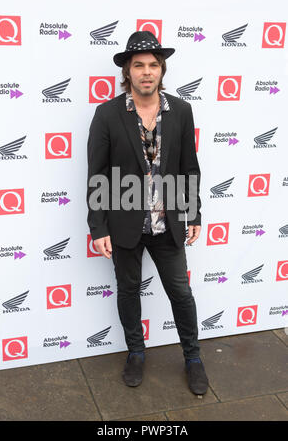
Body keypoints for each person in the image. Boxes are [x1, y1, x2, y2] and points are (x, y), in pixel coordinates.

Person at [87, 30, 208, 395]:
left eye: (153, 65)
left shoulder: (181, 111)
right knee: (128, 291)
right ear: (127, 72)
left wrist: (193, 213)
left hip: (168, 225)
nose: (146, 72)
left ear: (161, 70)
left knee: (181, 294)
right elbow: (97, 174)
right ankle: (136, 352)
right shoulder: (107, 114)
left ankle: (193, 357)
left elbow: (189, 166)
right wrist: (98, 226)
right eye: (138, 65)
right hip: (124, 225)